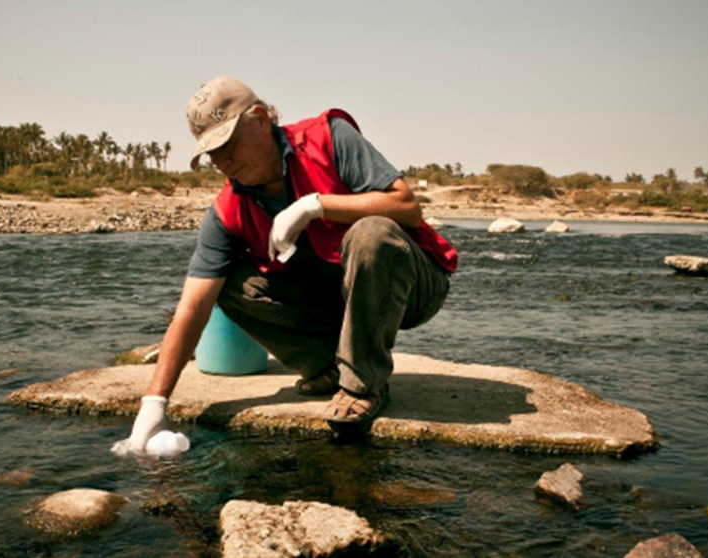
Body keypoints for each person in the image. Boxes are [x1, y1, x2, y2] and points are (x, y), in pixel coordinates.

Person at [111, 76, 457, 454]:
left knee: (372, 234)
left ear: (260, 119)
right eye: (212, 153)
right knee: (224, 282)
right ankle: (327, 366)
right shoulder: (227, 210)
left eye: (227, 143)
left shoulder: (329, 138)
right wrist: (154, 404)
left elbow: (407, 207)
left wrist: (315, 206)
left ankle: (363, 383)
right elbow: (192, 307)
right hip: (336, 298)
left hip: (412, 286)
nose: (221, 161)